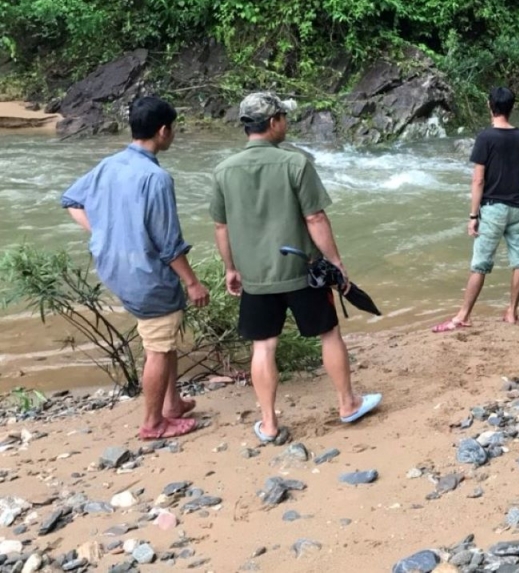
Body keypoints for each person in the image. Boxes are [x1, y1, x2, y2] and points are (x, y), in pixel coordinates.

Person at [210, 92, 381, 444]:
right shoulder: (295, 163)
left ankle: (270, 424)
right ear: (273, 122)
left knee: (264, 346)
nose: (286, 123)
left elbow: (221, 227)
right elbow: (314, 216)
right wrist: (335, 261)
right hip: (302, 269)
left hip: (255, 276)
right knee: (329, 333)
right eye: (283, 118)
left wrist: (231, 268)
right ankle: (347, 403)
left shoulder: (223, 171)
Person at [61, 97, 210, 441]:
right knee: (158, 343)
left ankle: (172, 404)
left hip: (116, 268)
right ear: (163, 131)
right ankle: (153, 422)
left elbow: (71, 200)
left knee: (163, 333)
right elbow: (169, 244)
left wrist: (104, 231)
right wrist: (192, 283)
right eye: (173, 129)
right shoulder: (156, 178)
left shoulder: (110, 164)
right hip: (145, 274)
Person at [434, 87, 519, 332]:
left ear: (490, 106)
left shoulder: (486, 137)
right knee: (518, 261)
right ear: (512, 107)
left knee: (480, 264)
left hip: (493, 208)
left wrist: (473, 215)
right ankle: (512, 312)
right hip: (518, 206)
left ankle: (463, 316)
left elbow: (478, 180)